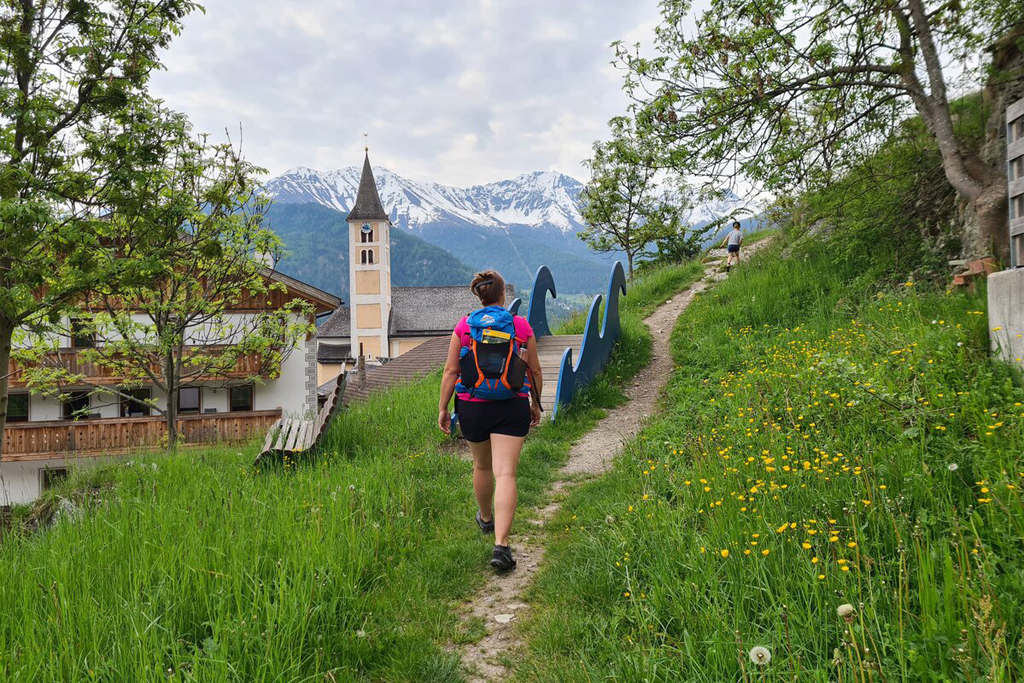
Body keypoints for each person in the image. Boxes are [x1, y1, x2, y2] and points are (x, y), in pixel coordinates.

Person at [438, 270, 543, 572]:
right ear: (502, 296)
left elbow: (451, 371)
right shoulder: (520, 326)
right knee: (506, 473)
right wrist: (536, 403)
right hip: (511, 404)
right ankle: (502, 546)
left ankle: (485, 519)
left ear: (480, 296)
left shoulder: (465, 325)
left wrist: (444, 408)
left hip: (472, 406)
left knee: (482, 466)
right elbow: (534, 371)